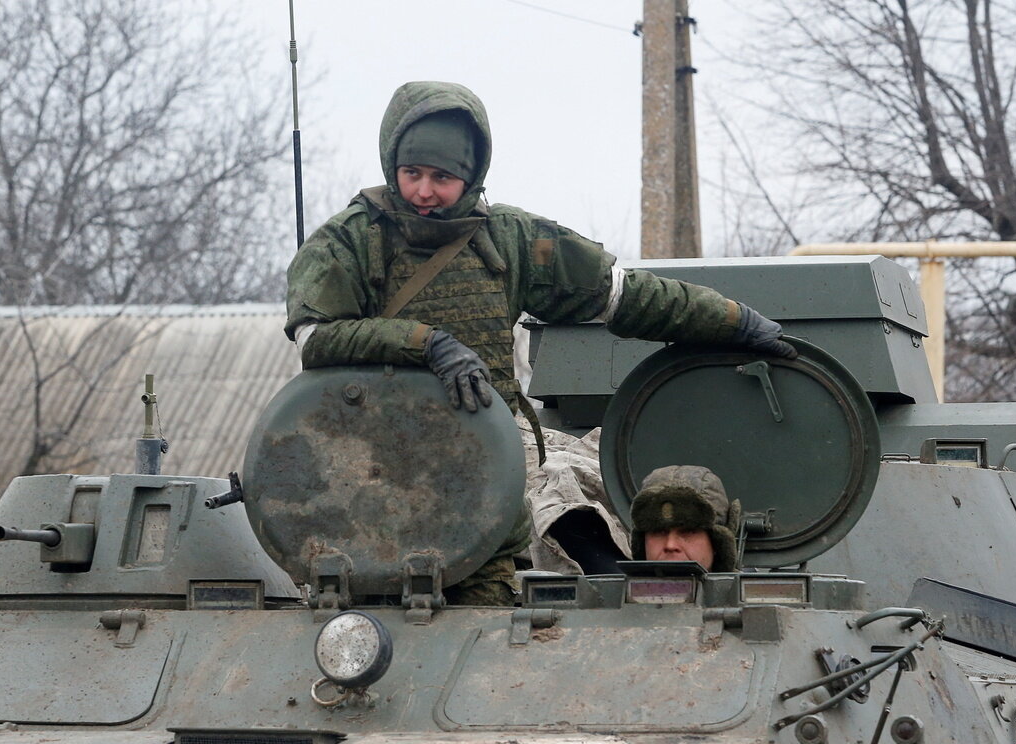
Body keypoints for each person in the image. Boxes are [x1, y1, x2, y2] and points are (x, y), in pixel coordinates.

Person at [286, 81, 789, 603]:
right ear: (391, 162)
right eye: (411, 174)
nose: (424, 192)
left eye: (443, 177)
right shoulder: (347, 241)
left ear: (472, 173)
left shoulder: (509, 241)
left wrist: (732, 322)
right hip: (368, 496)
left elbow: (622, 296)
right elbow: (317, 339)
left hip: (480, 501)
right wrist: (426, 343)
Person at [628, 465, 741, 572]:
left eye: (688, 531)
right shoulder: (615, 591)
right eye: (658, 532)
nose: (670, 545)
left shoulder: (747, 592)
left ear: (716, 544)